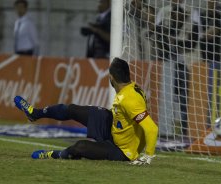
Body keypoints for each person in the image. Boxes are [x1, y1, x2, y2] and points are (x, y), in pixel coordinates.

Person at [14, 57, 158, 165]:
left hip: (122, 150)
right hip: (114, 126)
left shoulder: (129, 98)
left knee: (80, 147)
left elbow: (151, 129)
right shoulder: (130, 87)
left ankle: (54, 154)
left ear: (111, 78)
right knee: (72, 109)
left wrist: (147, 157)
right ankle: (35, 113)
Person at [153, 0, 199, 147]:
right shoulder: (163, 13)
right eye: (174, 15)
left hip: (186, 64)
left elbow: (193, 42)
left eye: (179, 15)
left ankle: (185, 131)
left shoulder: (192, 16)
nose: (175, 17)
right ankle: (166, 130)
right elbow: (158, 37)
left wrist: (176, 43)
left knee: (184, 98)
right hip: (167, 63)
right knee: (167, 97)